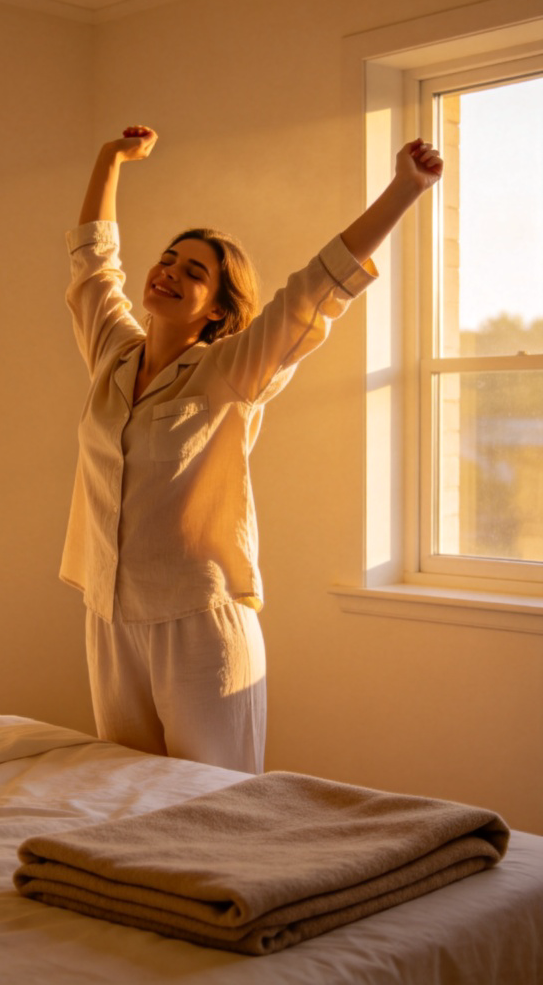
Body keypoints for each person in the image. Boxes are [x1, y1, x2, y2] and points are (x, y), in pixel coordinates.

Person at [60, 125, 442, 773]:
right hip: (108, 616)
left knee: (218, 809)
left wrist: (405, 189)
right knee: (122, 804)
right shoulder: (111, 355)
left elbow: (317, 292)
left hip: (198, 624)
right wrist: (108, 160)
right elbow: (94, 263)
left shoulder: (231, 371)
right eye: (169, 259)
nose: (170, 272)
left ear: (215, 308)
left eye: (194, 272)